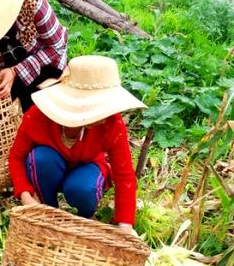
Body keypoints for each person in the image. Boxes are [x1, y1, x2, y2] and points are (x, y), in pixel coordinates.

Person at [8, 55, 147, 234]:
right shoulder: (39, 115)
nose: (102, 116)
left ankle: (87, 215)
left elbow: (124, 176)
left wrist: (125, 226)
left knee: (82, 188)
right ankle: (47, 210)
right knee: (41, 158)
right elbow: (16, 157)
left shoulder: (111, 123)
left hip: (87, 167)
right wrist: (25, 196)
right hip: (50, 169)